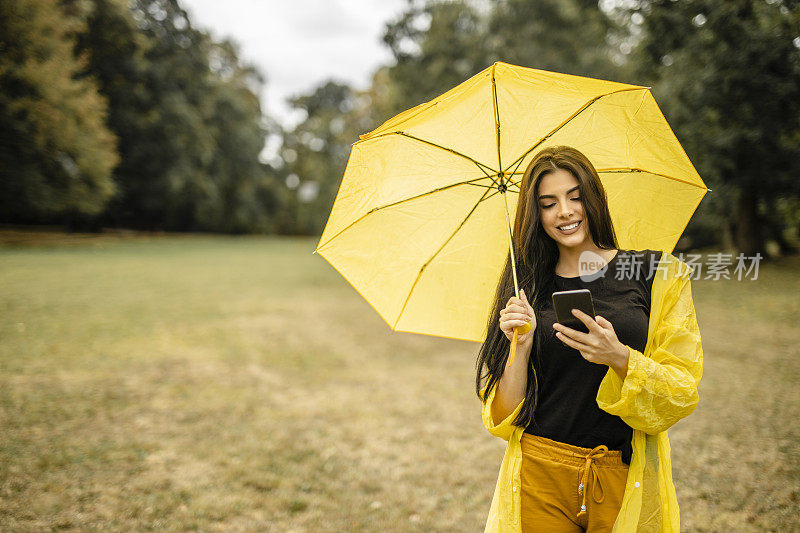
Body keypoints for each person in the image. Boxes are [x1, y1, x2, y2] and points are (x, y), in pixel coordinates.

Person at [475, 145, 704, 532]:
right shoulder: (525, 285)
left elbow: (680, 393)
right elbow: (502, 419)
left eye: (575, 197)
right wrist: (521, 346)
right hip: (540, 472)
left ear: (593, 199)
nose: (565, 211)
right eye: (548, 203)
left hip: (621, 472)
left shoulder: (656, 273)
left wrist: (619, 357)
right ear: (536, 215)